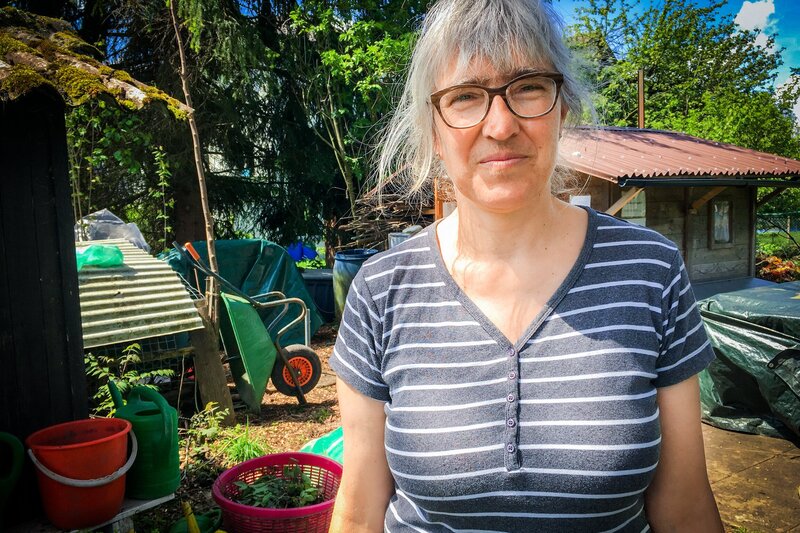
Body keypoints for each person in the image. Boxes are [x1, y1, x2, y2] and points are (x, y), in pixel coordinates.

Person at [329, 0, 724, 530]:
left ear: (563, 110)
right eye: (465, 96)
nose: (500, 125)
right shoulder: (381, 291)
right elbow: (358, 512)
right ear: (434, 132)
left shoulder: (651, 271)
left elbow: (686, 507)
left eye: (528, 87)